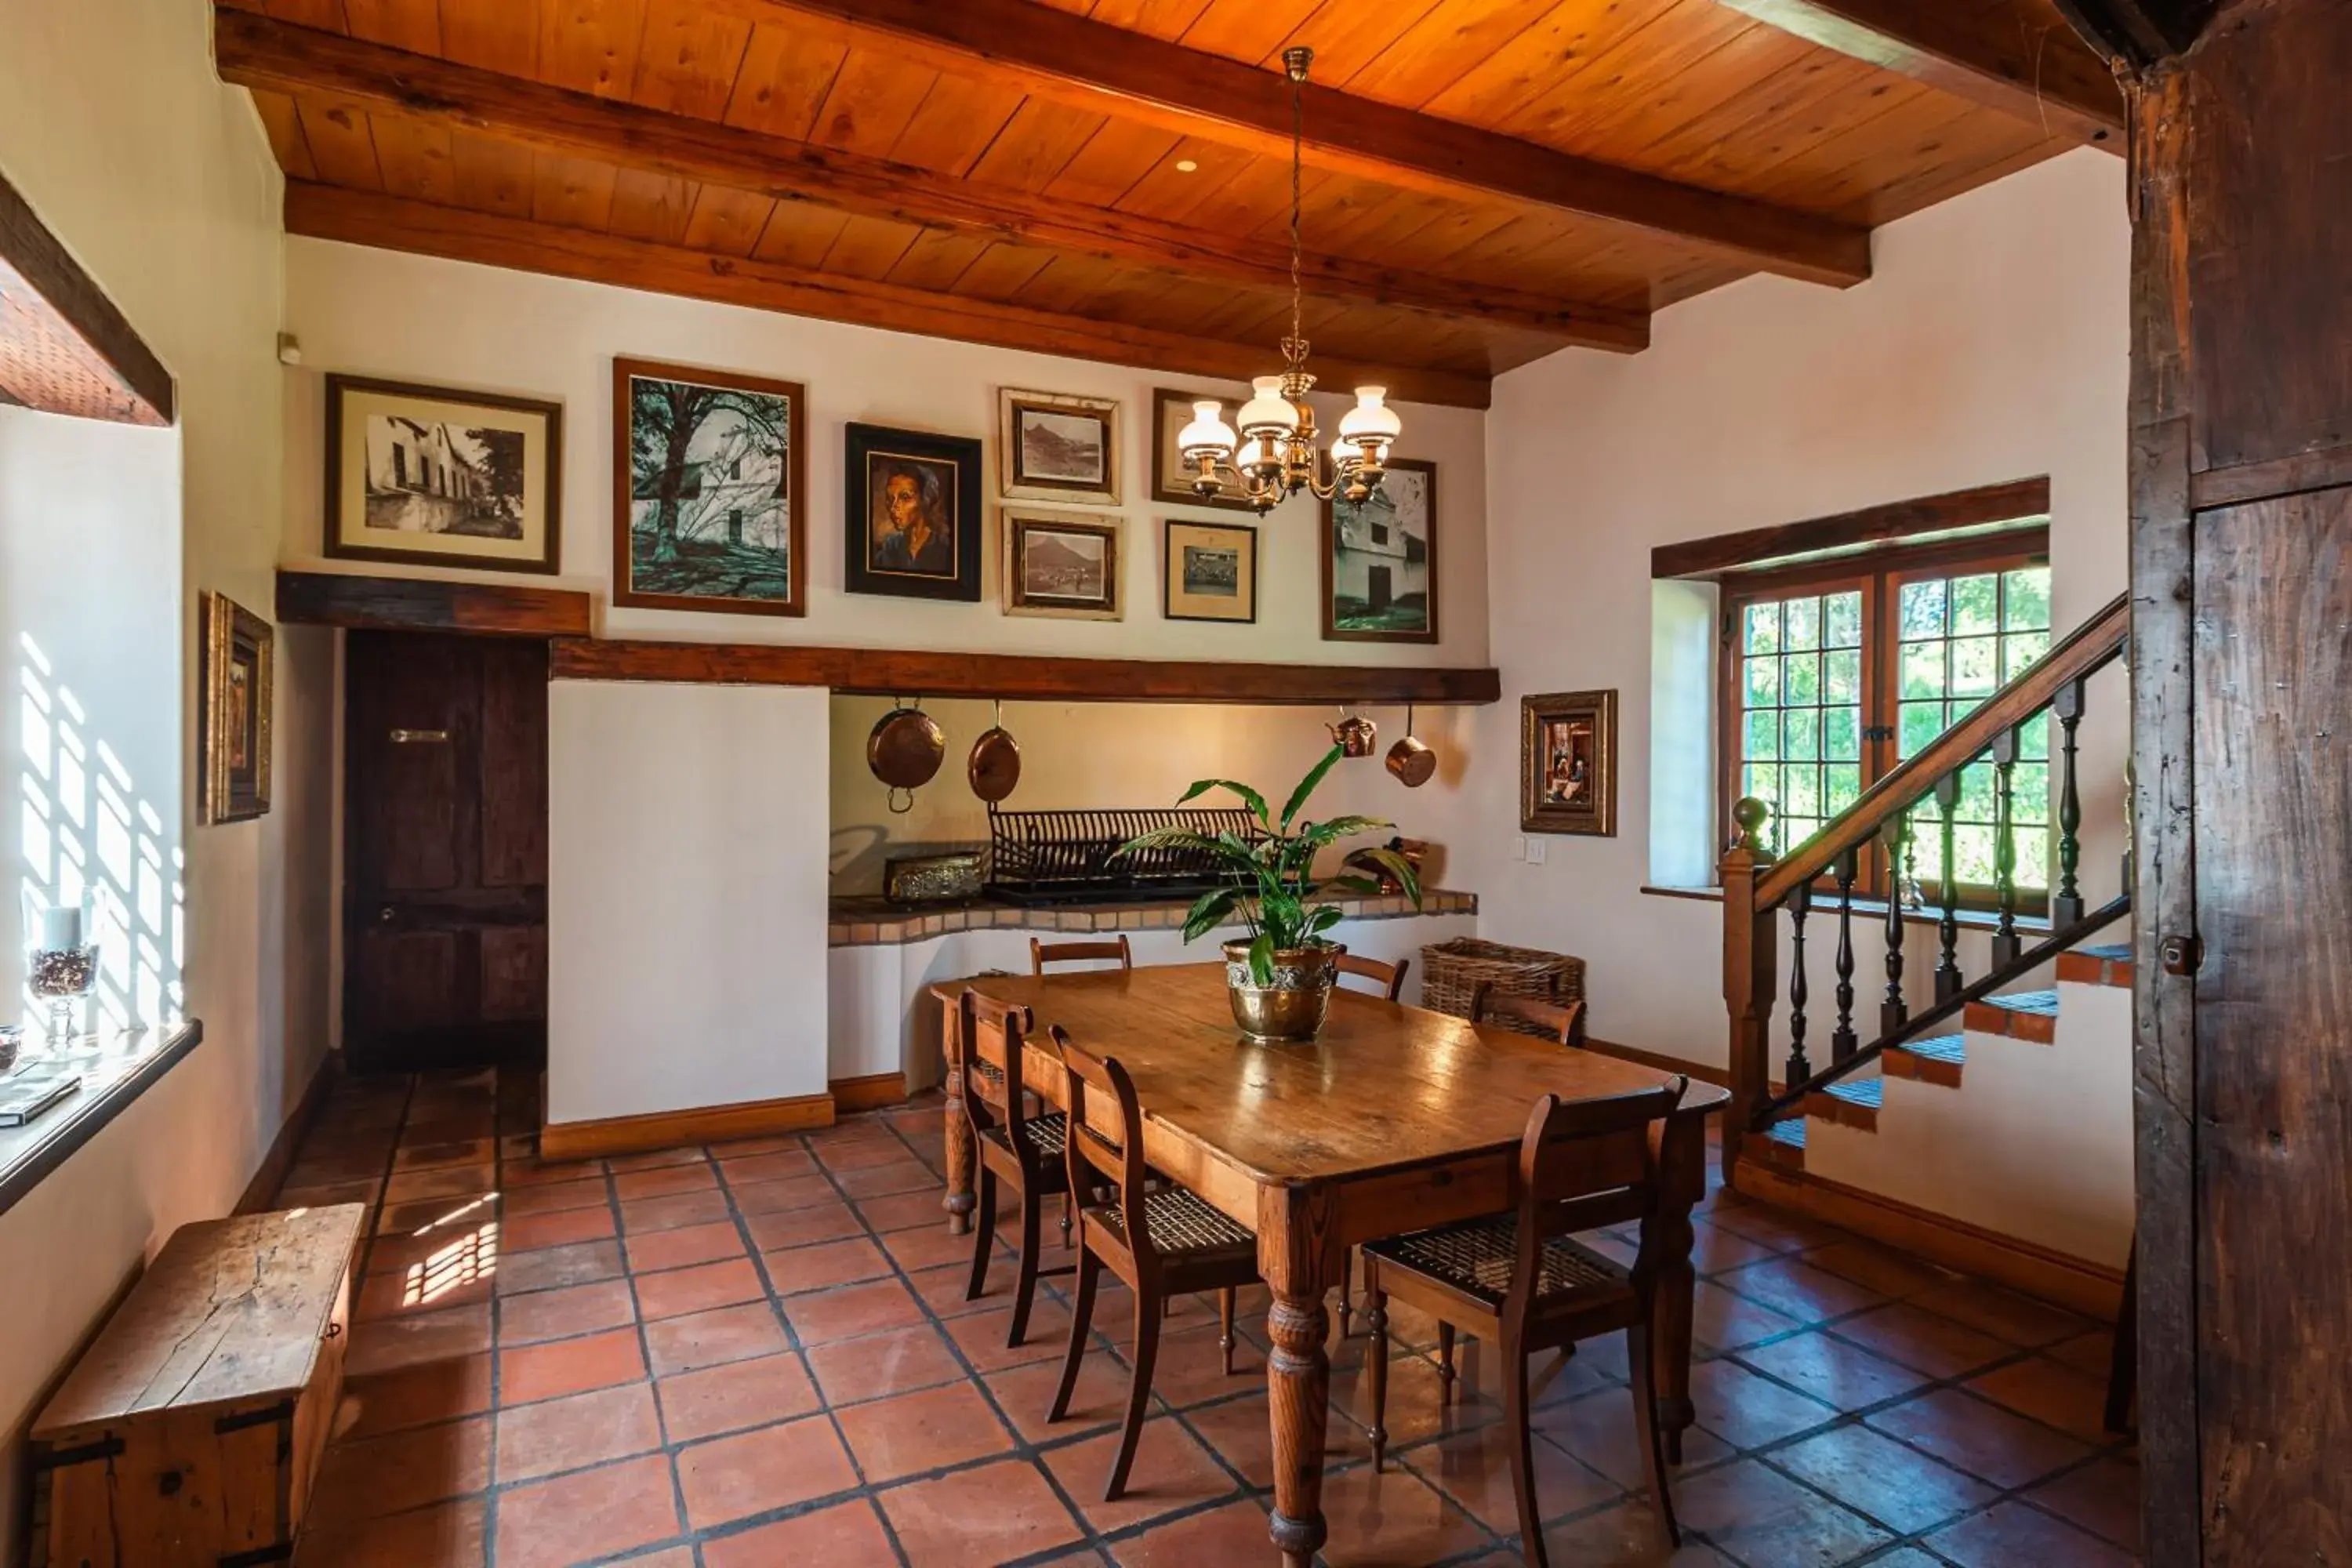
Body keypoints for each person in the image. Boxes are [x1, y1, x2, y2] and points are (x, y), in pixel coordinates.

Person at [872, 464, 953, 575]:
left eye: (905, 497)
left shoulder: (945, 549)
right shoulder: (890, 548)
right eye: (890, 498)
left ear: (925, 500)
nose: (893, 507)